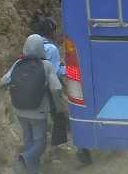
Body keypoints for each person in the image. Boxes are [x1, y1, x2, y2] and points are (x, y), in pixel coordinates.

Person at [0, 34, 62, 174]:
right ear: (41, 48)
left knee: (28, 140)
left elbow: (3, 81)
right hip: (38, 111)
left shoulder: (18, 63)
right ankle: (23, 160)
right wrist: (58, 106)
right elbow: (57, 88)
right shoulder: (46, 65)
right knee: (40, 143)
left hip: (20, 110)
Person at [32, 15, 92, 165]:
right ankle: (77, 151)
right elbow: (55, 71)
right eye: (54, 30)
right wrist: (73, 69)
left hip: (36, 90)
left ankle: (54, 151)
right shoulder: (51, 48)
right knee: (68, 114)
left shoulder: (32, 45)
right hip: (52, 89)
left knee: (55, 118)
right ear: (50, 31)